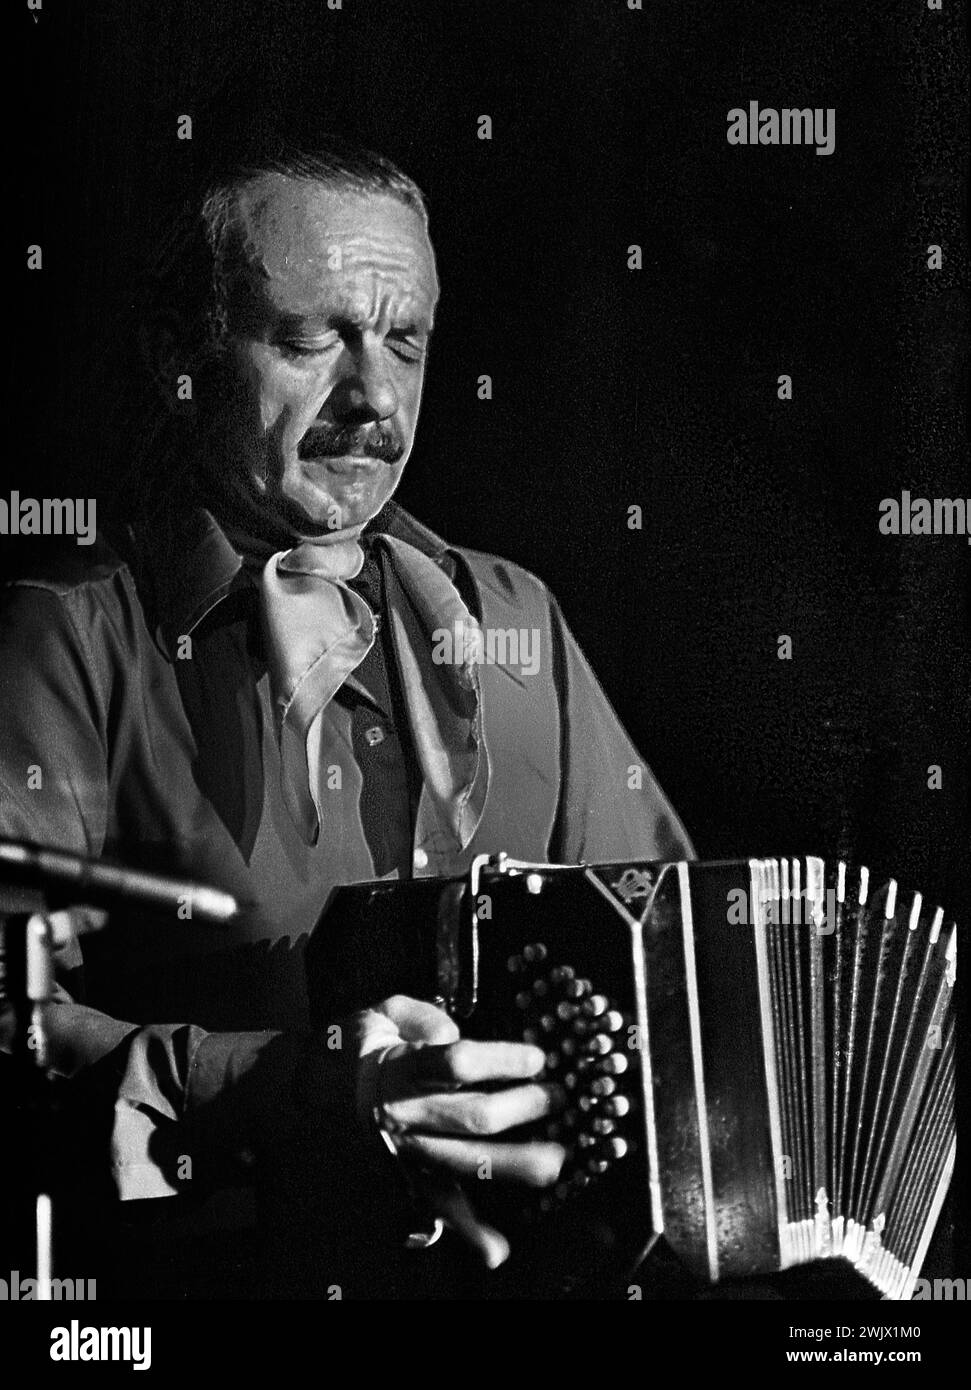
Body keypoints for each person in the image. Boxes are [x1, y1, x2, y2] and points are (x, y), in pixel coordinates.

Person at [0, 137, 692, 1296]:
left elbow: (670, 963)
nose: (373, 398)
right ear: (183, 353)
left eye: (405, 341)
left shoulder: (514, 619)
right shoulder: (67, 634)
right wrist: (292, 1094)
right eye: (312, 337)